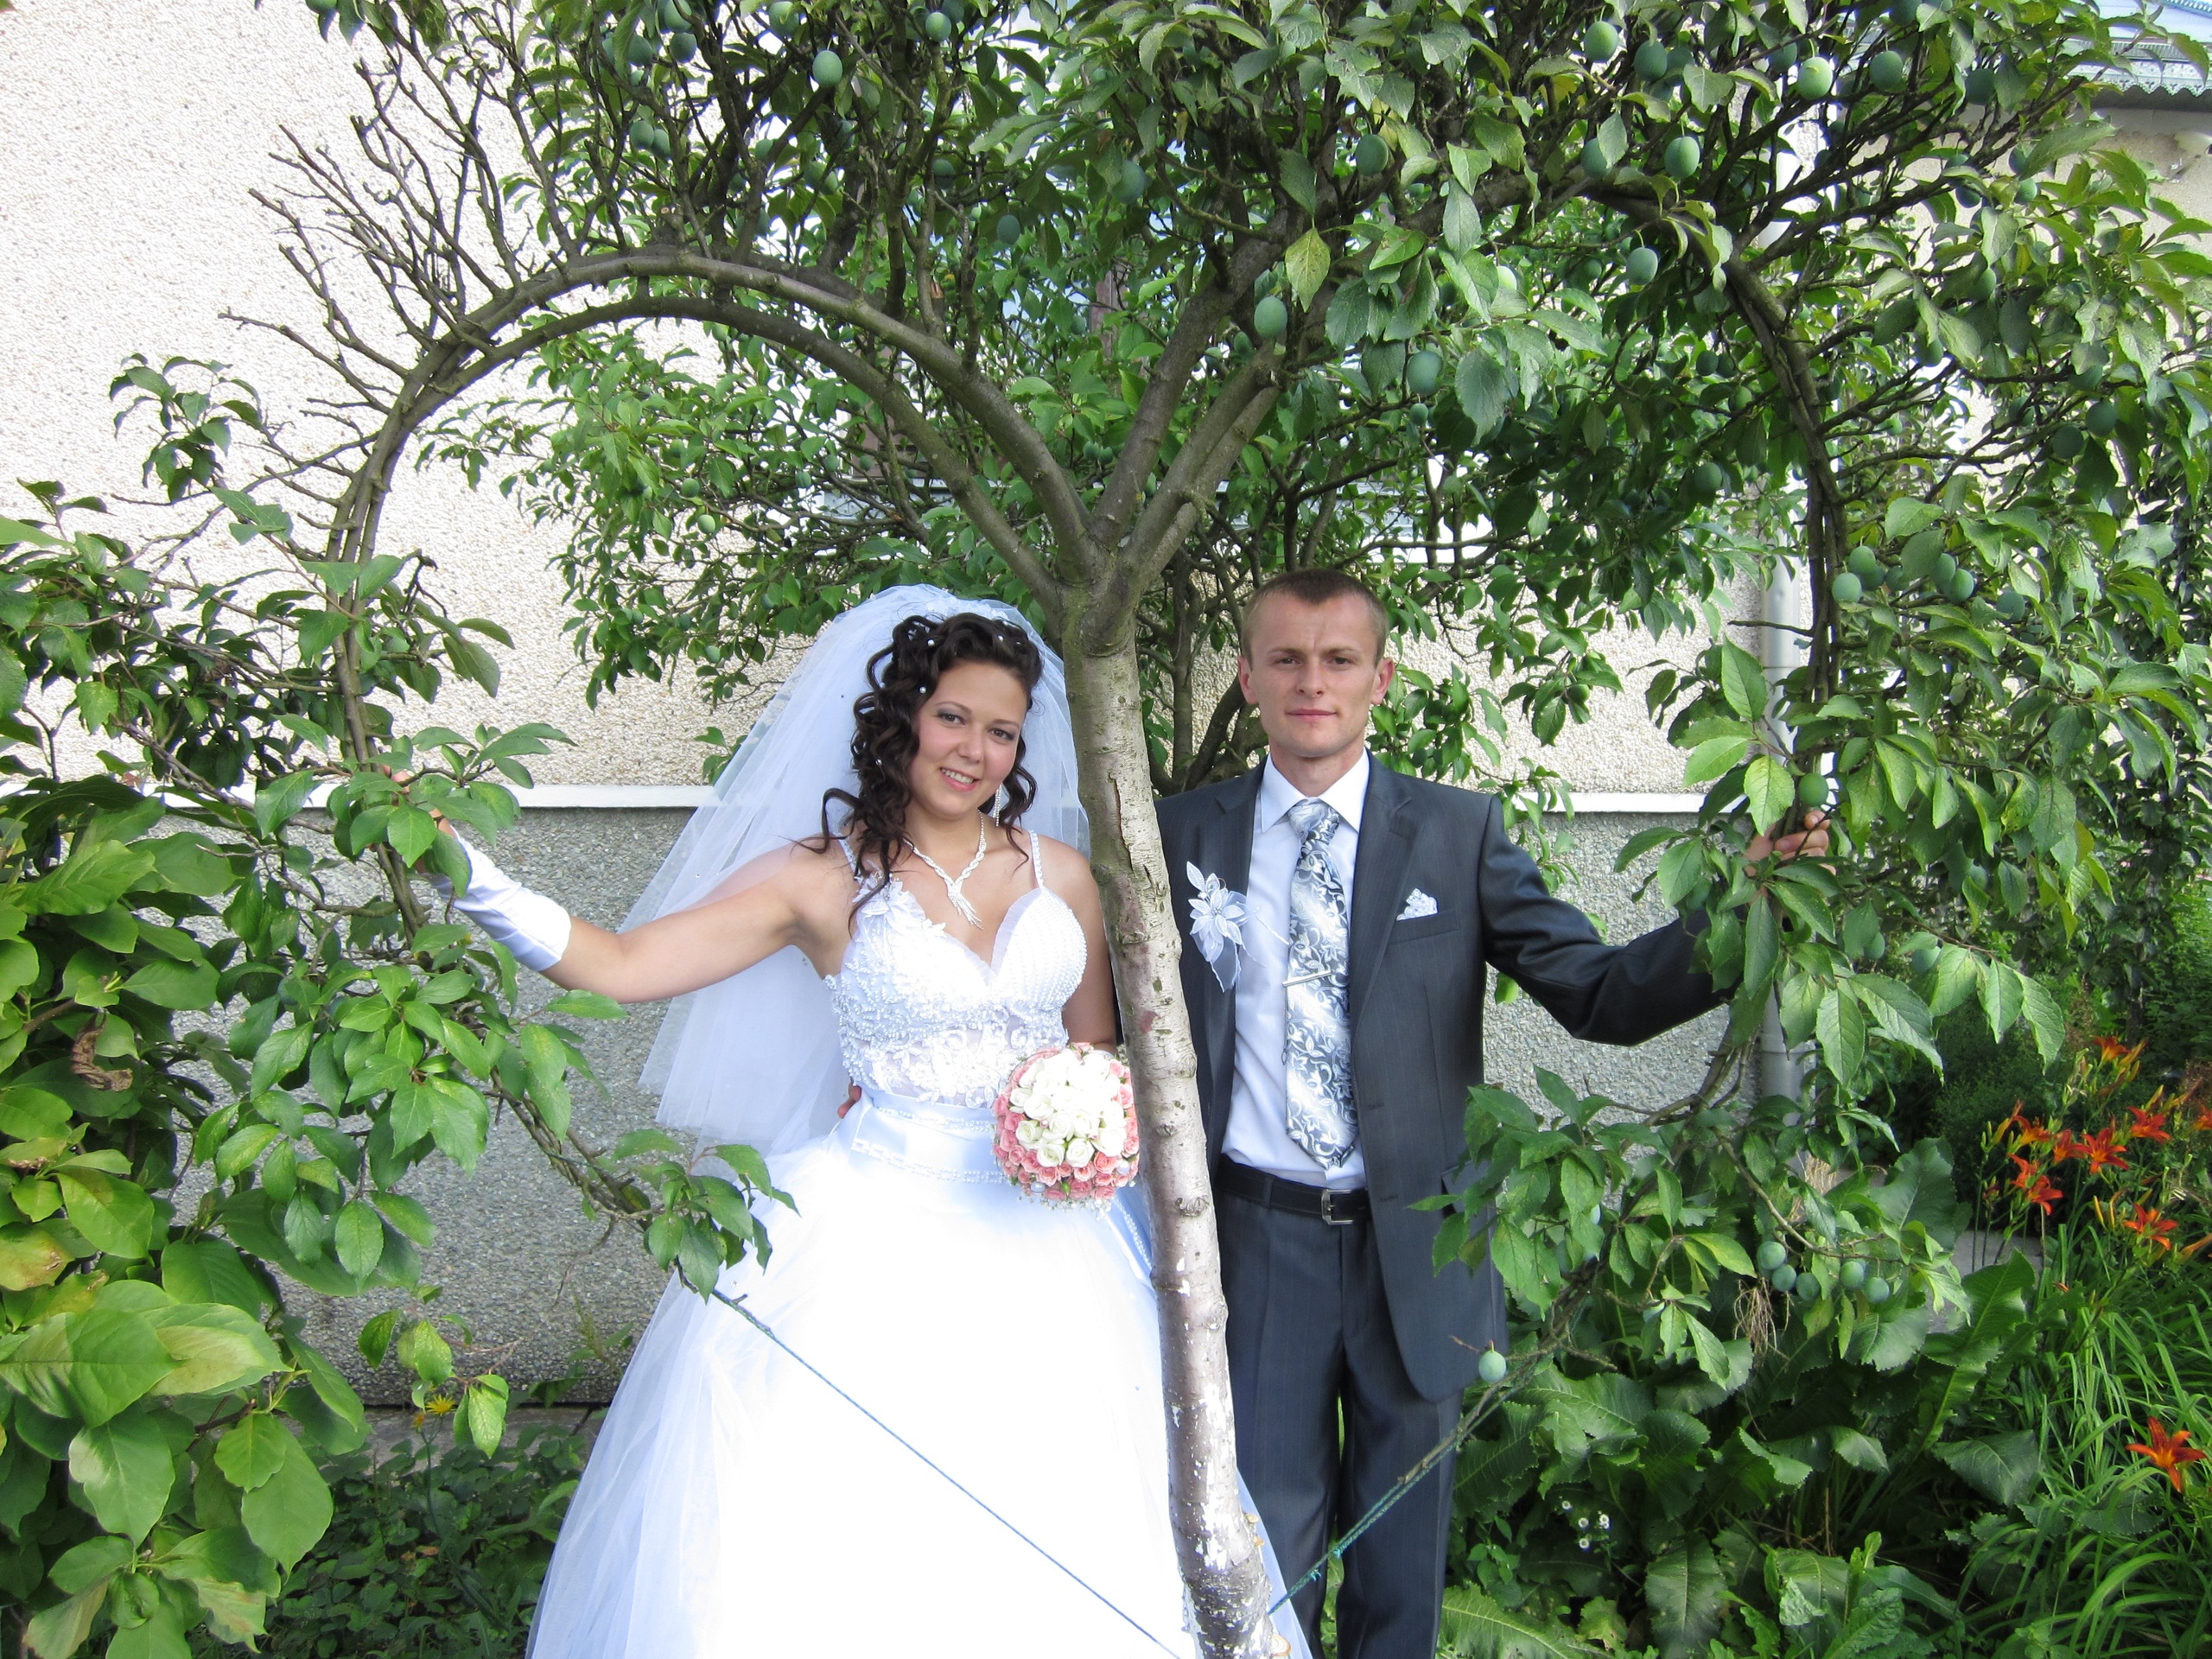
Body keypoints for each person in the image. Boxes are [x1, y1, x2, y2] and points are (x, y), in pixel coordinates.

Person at [434, 588, 1306, 1659]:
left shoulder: (1063, 876)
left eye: (1001, 730)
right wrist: (463, 873)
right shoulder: (821, 879)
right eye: (953, 718)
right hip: (871, 1231)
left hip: (1054, 1243)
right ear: (903, 719)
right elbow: (619, 966)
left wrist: (1082, 1122)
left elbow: (1092, 1051)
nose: (975, 751)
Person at [1157, 569, 1828, 1659]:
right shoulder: (1182, 833)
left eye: (1338, 660)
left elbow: (1599, 995)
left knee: (1400, 1574)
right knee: (1263, 1565)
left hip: (1422, 1247)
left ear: (1381, 678)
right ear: (1247, 677)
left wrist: (1744, 902)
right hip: (1256, 1248)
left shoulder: (1456, 833)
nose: (1312, 682)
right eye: (1285, 659)